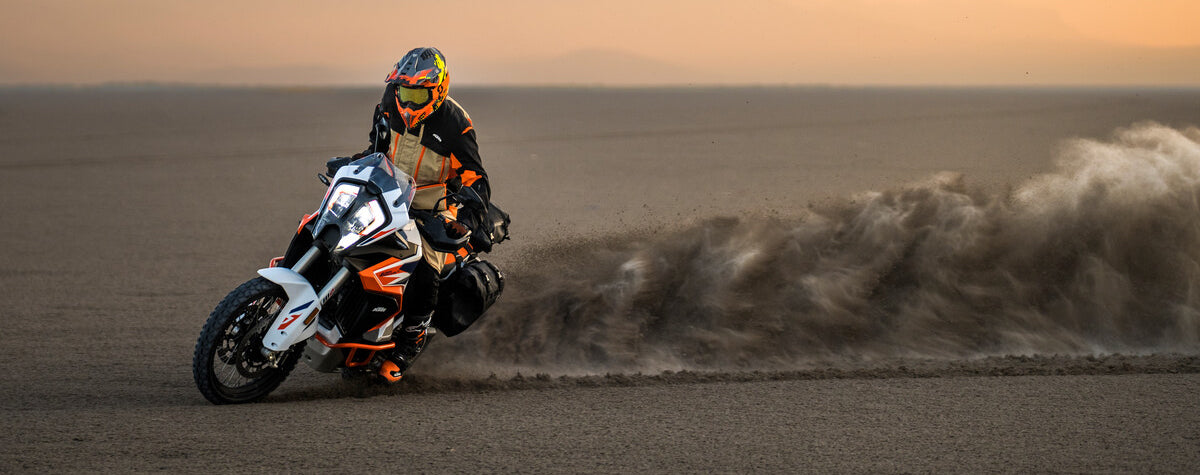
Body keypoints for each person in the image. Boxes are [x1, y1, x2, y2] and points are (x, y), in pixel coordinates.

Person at [331, 47, 491, 383]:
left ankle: (410, 340)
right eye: (405, 91)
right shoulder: (389, 101)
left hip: (432, 208)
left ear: (437, 90)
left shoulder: (455, 124)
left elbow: (477, 178)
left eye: (417, 93)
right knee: (337, 231)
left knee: (424, 267)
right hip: (387, 195)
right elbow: (378, 147)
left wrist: (470, 216)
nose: (408, 100)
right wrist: (351, 163)